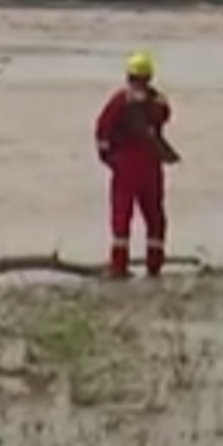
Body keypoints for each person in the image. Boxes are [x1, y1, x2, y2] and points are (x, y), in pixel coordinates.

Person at [94, 51, 175, 279]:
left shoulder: (119, 101)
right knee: (155, 217)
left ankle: (119, 266)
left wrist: (109, 159)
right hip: (150, 166)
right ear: (149, 76)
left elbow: (102, 130)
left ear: (129, 75)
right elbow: (165, 115)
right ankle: (154, 266)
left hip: (126, 167)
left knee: (122, 217)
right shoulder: (156, 102)